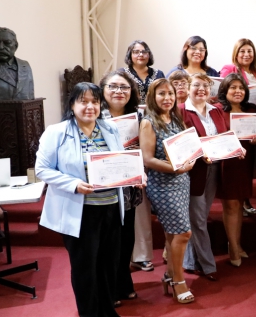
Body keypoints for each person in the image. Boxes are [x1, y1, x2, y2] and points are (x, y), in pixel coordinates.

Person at [36, 82, 137, 315]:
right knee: (85, 268)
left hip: (111, 207)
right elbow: (42, 169)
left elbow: (118, 162)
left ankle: (108, 310)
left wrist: (132, 176)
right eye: (84, 101)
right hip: (81, 211)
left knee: (108, 264)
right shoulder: (57, 132)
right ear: (72, 104)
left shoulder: (109, 128)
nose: (90, 106)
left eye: (95, 101)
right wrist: (73, 184)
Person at [139, 78, 195, 304]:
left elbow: (186, 149)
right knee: (184, 233)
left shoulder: (175, 118)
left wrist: (190, 159)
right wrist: (175, 167)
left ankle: (170, 275)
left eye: (170, 94)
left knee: (173, 233)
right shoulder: (148, 122)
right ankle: (179, 281)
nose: (167, 98)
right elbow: (147, 159)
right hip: (162, 184)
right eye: (161, 94)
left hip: (182, 181)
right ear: (153, 97)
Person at [98, 70, 143, 306]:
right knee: (109, 240)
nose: (119, 92)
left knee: (127, 238)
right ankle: (109, 288)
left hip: (130, 187)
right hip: (106, 187)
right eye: (113, 87)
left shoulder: (138, 115)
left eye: (124, 87)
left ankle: (123, 281)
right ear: (103, 89)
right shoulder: (94, 116)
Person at [178, 73, 228, 280]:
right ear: (188, 88)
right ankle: (209, 266)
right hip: (194, 172)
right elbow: (180, 143)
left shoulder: (216, 110)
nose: (202, 89)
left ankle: (190, 261)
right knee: (198, 220)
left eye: (206, 86)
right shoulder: (181, 111)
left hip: (215, 169)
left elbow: (224, 136)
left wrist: (234, 150)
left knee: (199, 216)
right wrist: (200, 155)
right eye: (196, 85)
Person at [216, 73, 256, 267]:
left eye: (241, 88)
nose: (237, 91)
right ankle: (233, 247)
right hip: (227, 164)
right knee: (230, 205)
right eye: (233, 88)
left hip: (244, 162)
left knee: (240, 204)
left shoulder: (251, 109)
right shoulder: (217, 110)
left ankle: (237, 243)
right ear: (225, 91)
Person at [0, 27, 34, 100]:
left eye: (7, 43)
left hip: (24, 110)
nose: (1, 47)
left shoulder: (25, 65)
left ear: (16, 46)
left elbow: (30, 96)